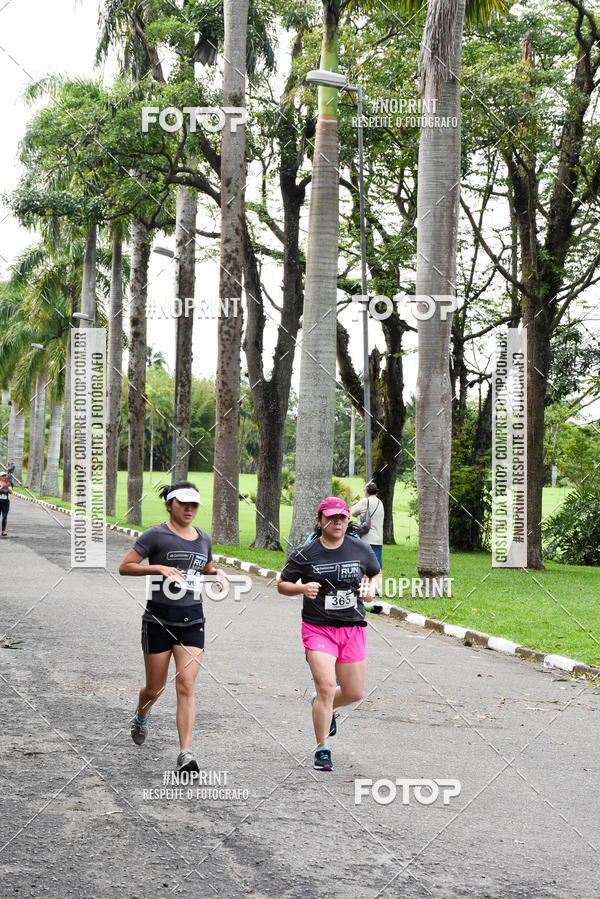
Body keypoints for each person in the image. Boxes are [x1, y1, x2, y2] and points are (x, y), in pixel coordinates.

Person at [119, 480, 228, 773]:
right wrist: (157, 568)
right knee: (155, 688)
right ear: (170, 505)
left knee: (186, 684)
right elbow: (125, 566)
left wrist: (218, 574)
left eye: (194, 505)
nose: (190, 509)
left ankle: (185, 753)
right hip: (157, 621)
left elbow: (204, 567)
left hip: (192, 621)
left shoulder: (203, 538)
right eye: (183, 504)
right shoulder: (156, 535)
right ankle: (142, 715)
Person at [278, 497, 381, 772]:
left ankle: (322, 704)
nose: (337, 522)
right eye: (332, 517)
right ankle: (322, 748)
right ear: (320, 520)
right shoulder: (306, 553)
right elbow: (282, 584)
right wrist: (301, 589)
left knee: (354, 693)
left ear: (348, 521)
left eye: (343, 518)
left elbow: (375, 572)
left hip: (352, 627)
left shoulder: (360, 548)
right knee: (325, 686)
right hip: (318, 628)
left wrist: (370, 588)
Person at [351, 481, 384, 569]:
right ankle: (377, 581)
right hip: (378, 539)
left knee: (364, 565)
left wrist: (356, 501)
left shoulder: (364, 501)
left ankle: (365, 582)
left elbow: (353, 512)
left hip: (366, 539)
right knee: (377, 565)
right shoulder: (380, 502)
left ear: (366, 491)